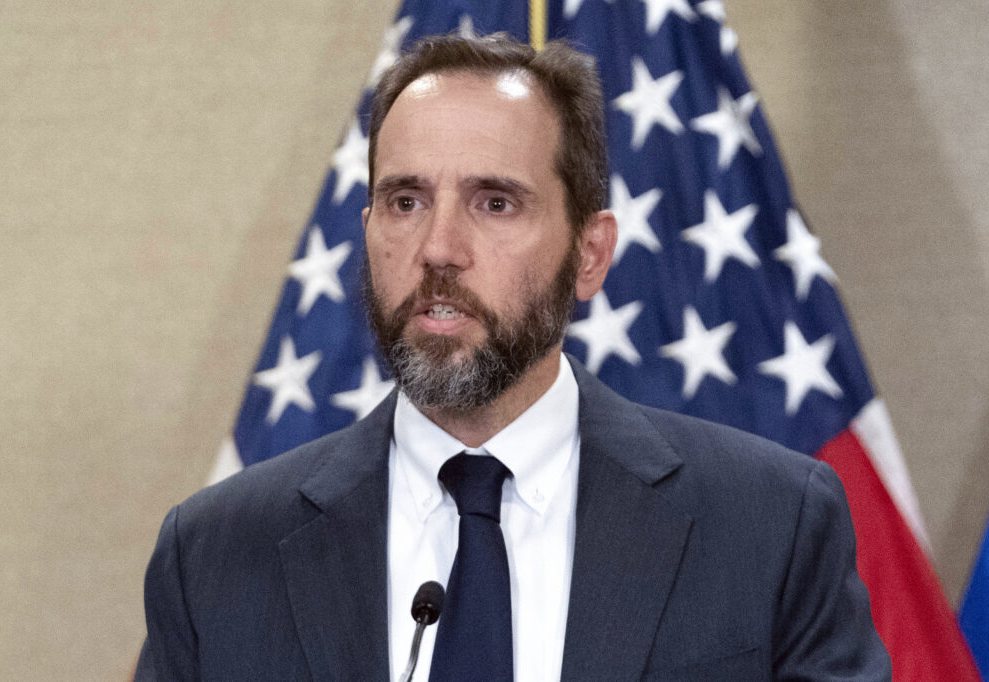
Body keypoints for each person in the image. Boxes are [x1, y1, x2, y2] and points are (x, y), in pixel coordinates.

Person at [136, 33, 890, 681]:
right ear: (367, 232)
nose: (438, 249)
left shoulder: (769, 525)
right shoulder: (213, 556)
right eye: (406, 201)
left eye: (494, 202)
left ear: (590, 255)